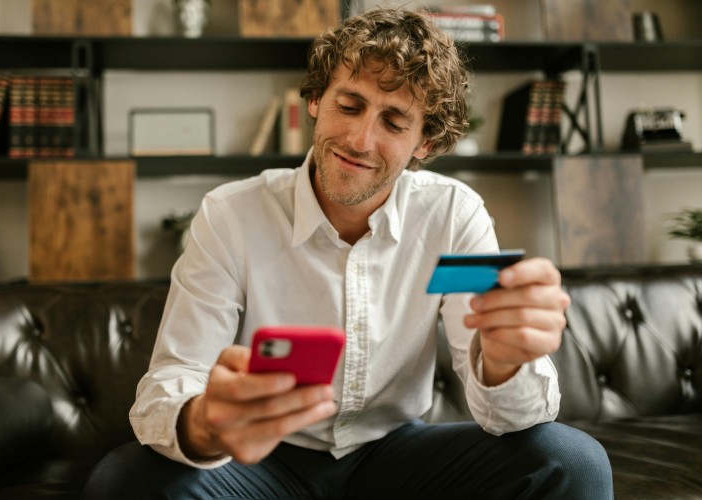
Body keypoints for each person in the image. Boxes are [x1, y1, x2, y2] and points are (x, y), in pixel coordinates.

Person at [84, 7, 613, 499]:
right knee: (124, 479)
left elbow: (509, 418)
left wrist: (500, 362)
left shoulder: (453, 215)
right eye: (349, 105)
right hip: (260, 459)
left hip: (396, 455)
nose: (360, 139)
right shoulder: (230, 215)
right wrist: (205, 423)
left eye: (394, 122)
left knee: (571, 461)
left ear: (424, 142)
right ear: (316, 99)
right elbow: (175, 376)